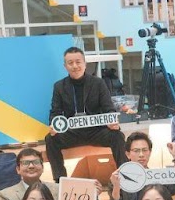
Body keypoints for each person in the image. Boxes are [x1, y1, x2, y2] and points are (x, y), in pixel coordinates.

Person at [46, 45, 123, 178]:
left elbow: (109, 108)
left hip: (96, 131)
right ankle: (60, 181)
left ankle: (125, 175)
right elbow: (55, 112)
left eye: (78, 62)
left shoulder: (98, 83)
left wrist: (113, 122)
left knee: (117, 136)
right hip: (73, 133)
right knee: (50, 139)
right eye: (70, 63)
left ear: (85, 64)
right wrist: (54, 125)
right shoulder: (59, 86)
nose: (75, 66)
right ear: (65, 66)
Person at [103, 132, 156, 200]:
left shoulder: (159, 177)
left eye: (145, 150)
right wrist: (116, 188)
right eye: (136, 151)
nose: (141, 154)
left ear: (150, 152)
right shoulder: (117, 178)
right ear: (127, 154)